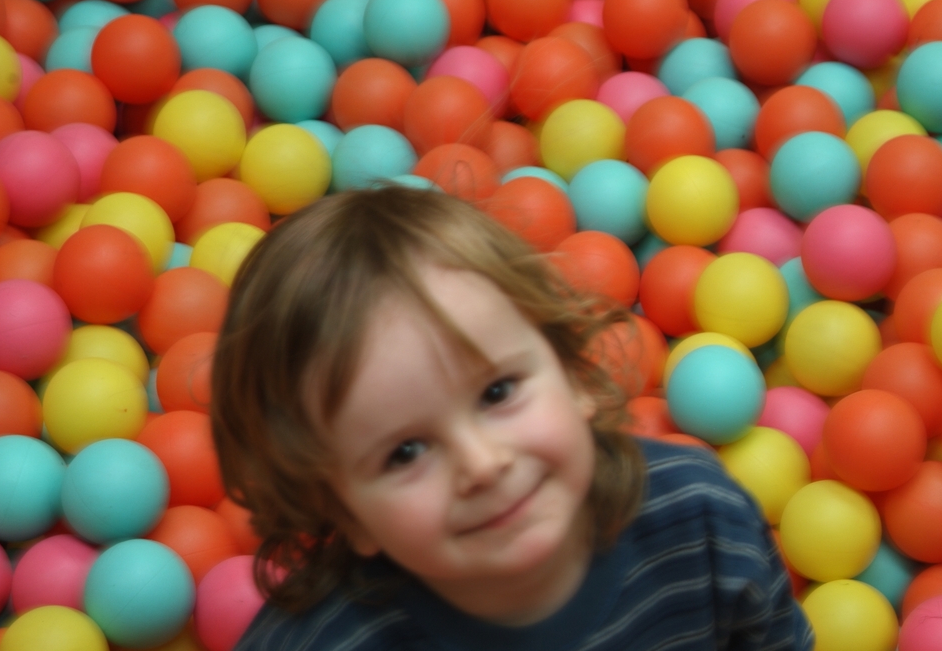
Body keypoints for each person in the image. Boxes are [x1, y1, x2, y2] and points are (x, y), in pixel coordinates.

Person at [211, 185, 814, 651]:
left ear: (573, 371)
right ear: (345, 513)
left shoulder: (700, 521)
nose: (482, 464)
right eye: (405, 452)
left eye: (497, 392)